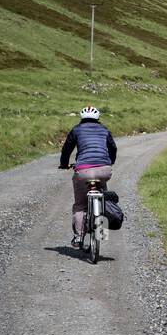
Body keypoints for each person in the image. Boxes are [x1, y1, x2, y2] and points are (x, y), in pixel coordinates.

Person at [59, 106, 117, 247]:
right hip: (104, 169)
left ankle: (78, 237)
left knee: (80, 205)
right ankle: (101, 232)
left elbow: (67, 149)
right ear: (98, 117)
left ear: (81, 117)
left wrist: (64, 164)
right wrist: (110, 162)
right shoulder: (104, 130)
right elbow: (113, 148)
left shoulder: (76, 129)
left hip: (83, 171)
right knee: (102, 196)